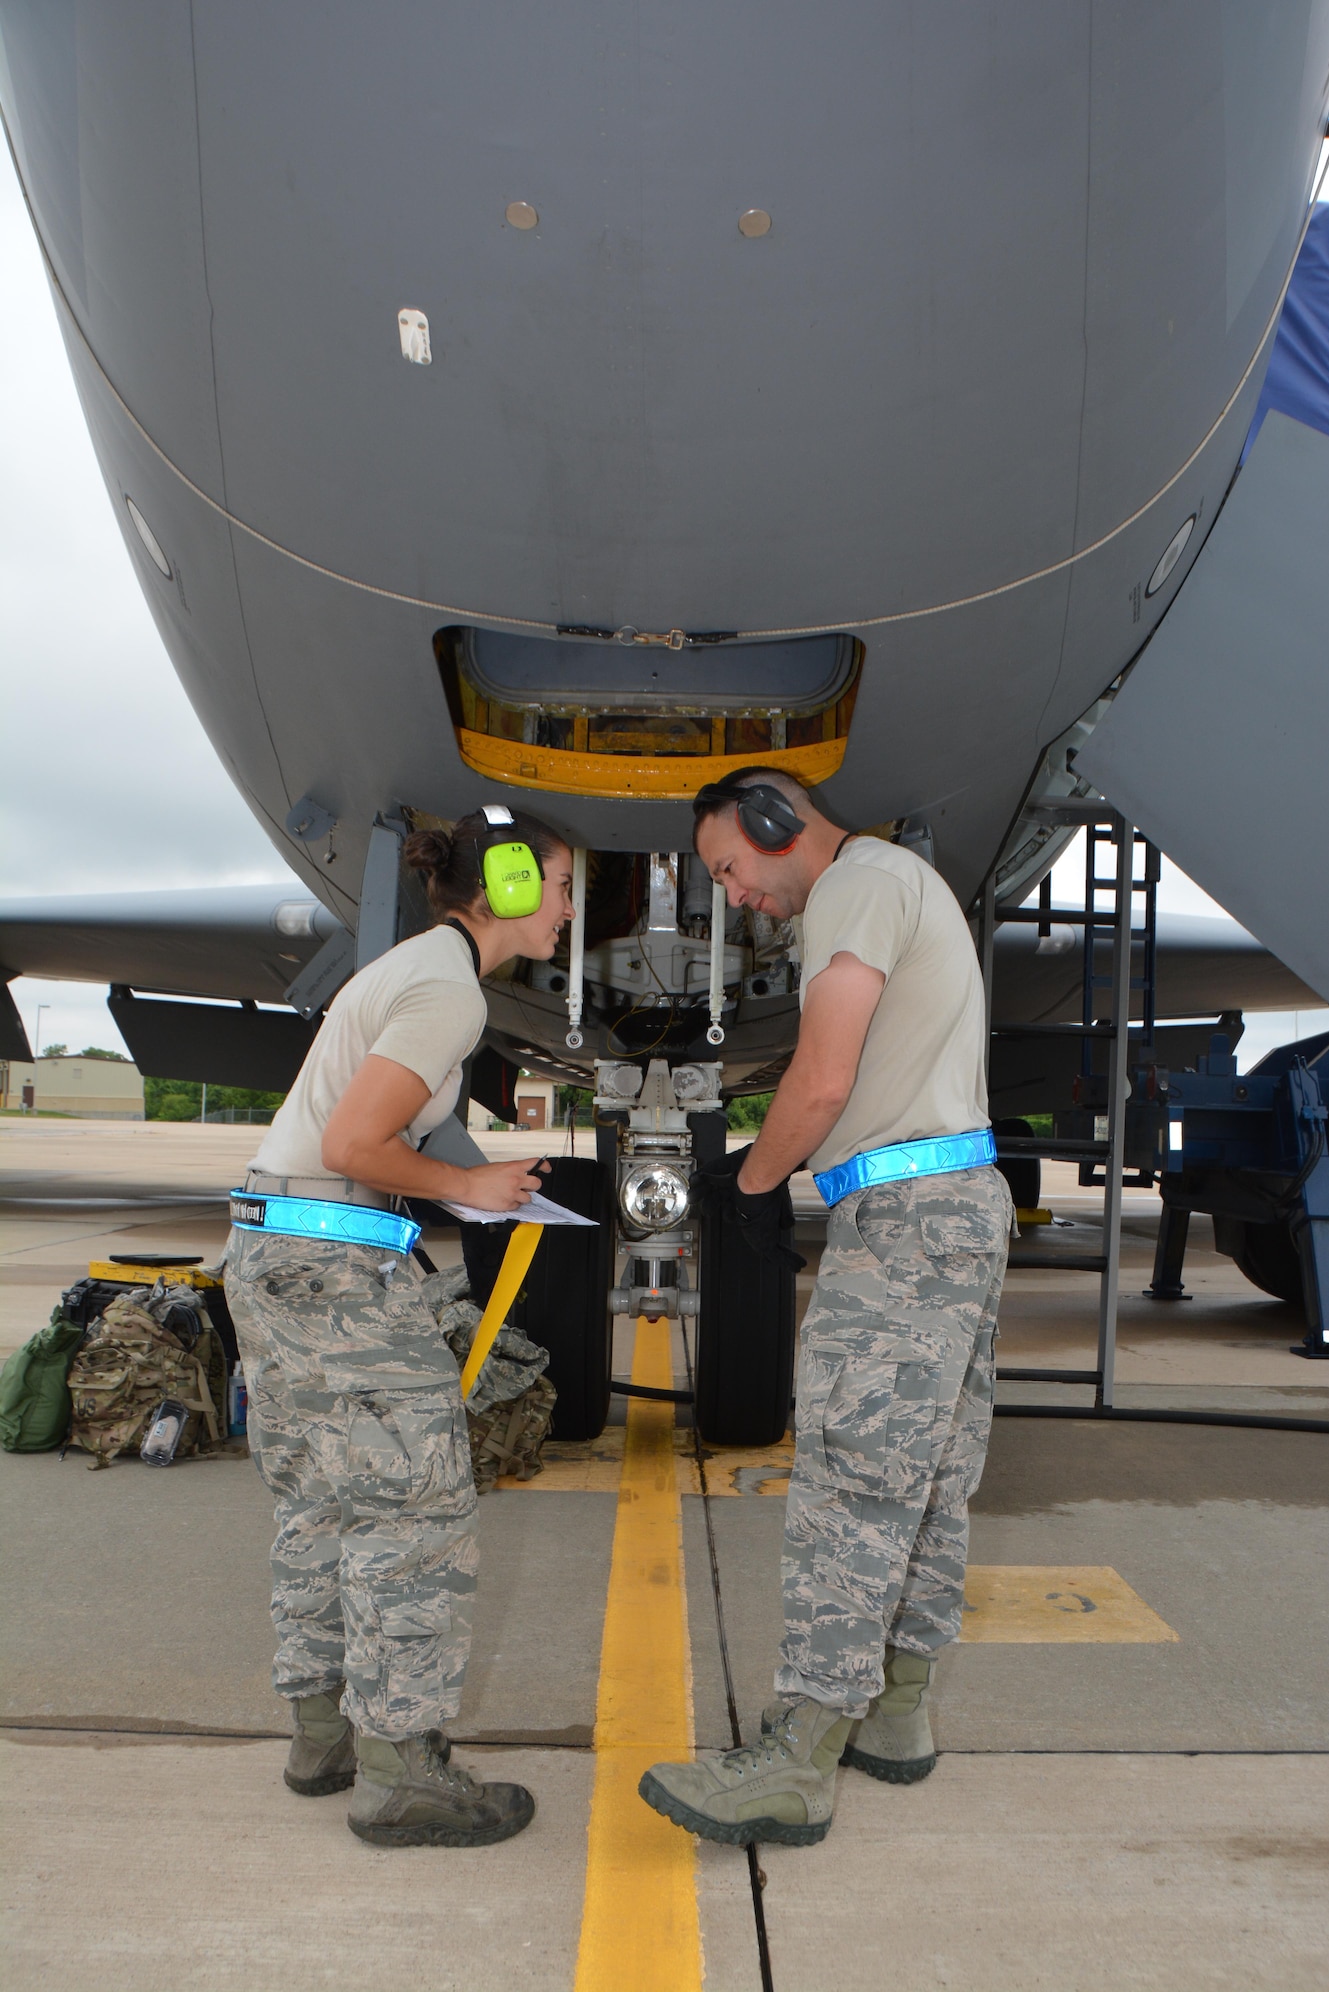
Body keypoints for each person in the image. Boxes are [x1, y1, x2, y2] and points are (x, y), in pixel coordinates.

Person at [640, 767, 1011, 1847]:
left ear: (773, 820)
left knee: (852, 1484)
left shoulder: (854, 882)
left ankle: (796, 1760)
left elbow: (820, 1074)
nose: (736, 895)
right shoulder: (907, 881)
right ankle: (895, 1712)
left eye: (729, 867)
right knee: (930, 1478)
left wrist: (749, 1185)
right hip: (958, 1201)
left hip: (902, 1216)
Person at [224, 805, 573, 1848]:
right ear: (506, 883)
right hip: (332, 1264)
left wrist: (462, 1190)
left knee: (321, 1502)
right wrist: (470, 1181)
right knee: (410, 1510)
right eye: (558, 884)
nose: (566, 906)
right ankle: (402, 1770)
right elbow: (356, 1140)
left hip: (274, 1245)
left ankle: (323, 1734)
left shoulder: (411, 966)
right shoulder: (445, 987)